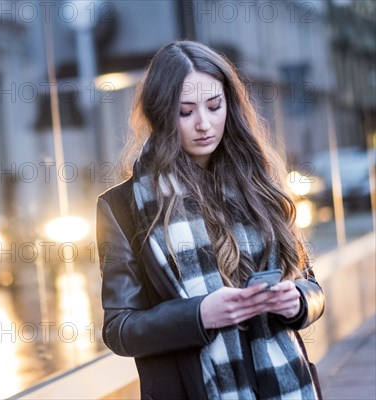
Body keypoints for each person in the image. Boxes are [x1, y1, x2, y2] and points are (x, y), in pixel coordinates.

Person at [96, 40, 325, 399]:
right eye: (185, 112)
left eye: (214, 106)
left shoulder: (259, 185)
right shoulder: (124, 207)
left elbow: (311, 286)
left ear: (229, 107)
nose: (204, 124)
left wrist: (296, 301)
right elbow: (120, 329)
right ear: (160, 115)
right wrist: (198, 315)